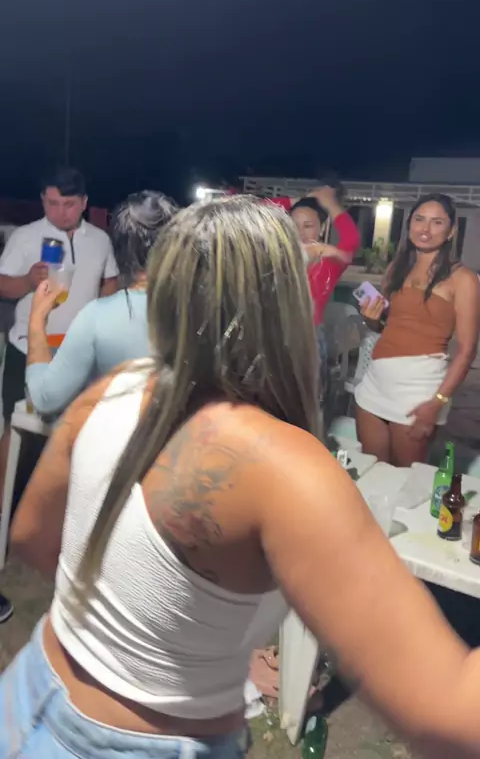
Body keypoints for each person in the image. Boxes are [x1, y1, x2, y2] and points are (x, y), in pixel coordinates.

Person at [5, 197, 480, 758]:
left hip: (28, 691)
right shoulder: (283, 468)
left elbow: (33, 536)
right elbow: (450, 714)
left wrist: (168, 638)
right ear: (285, 306)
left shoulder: (116, 385)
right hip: (144, 745)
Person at [0, 166, 118, 503]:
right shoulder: (25, 236)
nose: (60, 212)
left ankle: (54, 502)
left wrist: (102, 319)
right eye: (52, 203)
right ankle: (3, 506)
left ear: (84, 203)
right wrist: (27, 281)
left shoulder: (100, 240)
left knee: (70, 430)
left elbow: (109, 282)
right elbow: (3, 285)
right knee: (14, 426)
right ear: (42, 200)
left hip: (77, 355)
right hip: (27, 349)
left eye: (68, 204)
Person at [25, 191, 177, 416]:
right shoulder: (198, 310)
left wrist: (37, 318)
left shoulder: (97, 317)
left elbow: (46, 399)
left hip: (120, 436)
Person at [355, 193, 480, 466]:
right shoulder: (395, 269)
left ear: (451, 231)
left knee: (405, 478)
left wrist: (437, 402)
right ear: (409, 223)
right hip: (374, 385)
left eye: (437, 222)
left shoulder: (463, 279)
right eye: (419, 219)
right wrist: (371, 319)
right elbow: (386, 327)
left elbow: (467, 350)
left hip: (418, 391)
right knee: (371, 472)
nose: (425, 229)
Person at [291, 179, 360, 391]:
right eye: (294, 225)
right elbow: (256, 207)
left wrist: (330, 204)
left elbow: (351, 240)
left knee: (306, 399)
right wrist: (298, 199)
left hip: (308, 339)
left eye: (308, 226)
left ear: (321, 229)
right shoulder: (275, 255)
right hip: (272, 336)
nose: (300, 232)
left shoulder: (329, 262)